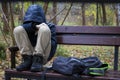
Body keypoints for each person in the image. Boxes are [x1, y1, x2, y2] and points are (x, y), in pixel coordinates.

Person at [13, 4, 57, 72]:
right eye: (31, 21)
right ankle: (27, 60)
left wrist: (41, 28)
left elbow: (53, 46)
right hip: (30, 55)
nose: (33, 22)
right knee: (18, 29)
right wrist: (34, 27)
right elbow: (20, 30)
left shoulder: (50, 27)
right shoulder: (26, 28)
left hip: (43, 55)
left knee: (44, 29)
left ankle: (37, 60)